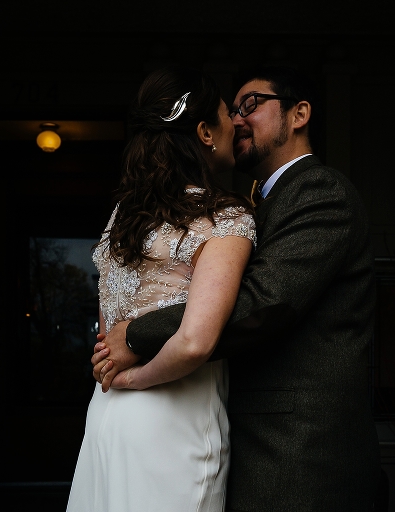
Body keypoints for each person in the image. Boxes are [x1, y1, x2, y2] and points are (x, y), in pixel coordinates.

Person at [94, 66, 381, 511]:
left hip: (299, 455)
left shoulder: (322, 193)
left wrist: (134, 335)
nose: (239, 118)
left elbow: (263, 302)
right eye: (233, 110)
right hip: (224, 435)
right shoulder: (245, 207)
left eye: (251, 105)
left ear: (299, 114)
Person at [66, 67, 257, 511]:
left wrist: (119, 378)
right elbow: (193, 343)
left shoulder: (124, 215)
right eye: (229, 114)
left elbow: (106, 327)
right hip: (173, 421)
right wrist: (138, 377)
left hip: (108, 415)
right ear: (205, 132)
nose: (238, 123)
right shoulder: (226, 219)